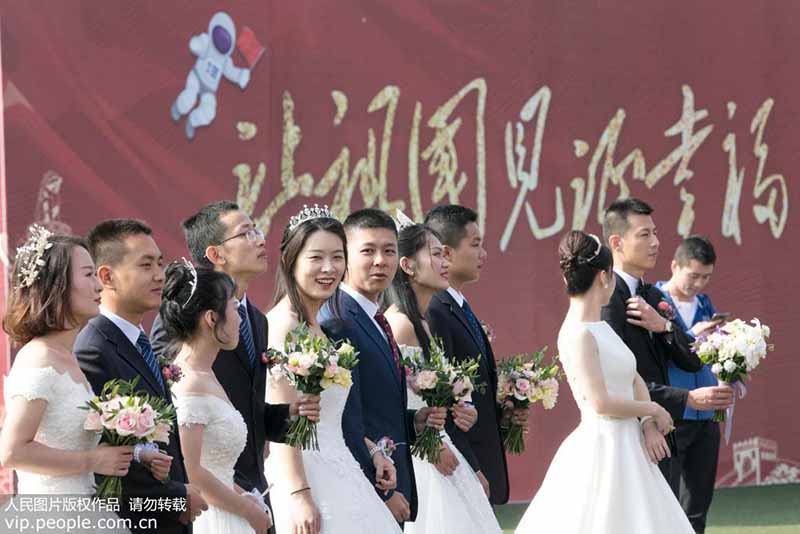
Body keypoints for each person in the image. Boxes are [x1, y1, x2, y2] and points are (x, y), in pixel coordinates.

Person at [150, 201, 320, 527]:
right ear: (216, 254)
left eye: (257, 230)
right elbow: (171, 405)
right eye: (246, 233)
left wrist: (289, 415)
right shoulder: (179, 317)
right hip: (208, 496)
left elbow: (249, 409)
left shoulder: (256, 319)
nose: (260, 239)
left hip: (254, 486)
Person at [515, 230, 694, 534]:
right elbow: (600, 403)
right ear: (604, 276)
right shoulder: (577, 333)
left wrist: (647, 423)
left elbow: (633, 376)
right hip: (605, 445)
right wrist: (654, 408)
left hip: (631, 442)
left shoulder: (601, 326)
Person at [264, 205, 402, 534]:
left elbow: (330, 414)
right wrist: (299, 494)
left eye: (337, 257)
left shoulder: (320, 329)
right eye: (316, 258)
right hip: (305, 477)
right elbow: (283, 422)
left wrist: (373, 451)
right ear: (289, 260)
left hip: (345, 469)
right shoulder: (282, 327)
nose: (329, 268)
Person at [74, 219, 206, 533]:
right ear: (106, 276)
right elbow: (105, 457)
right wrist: (175, 498)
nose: (160, 275)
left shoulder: (139, 341)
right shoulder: (93, 350)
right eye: (146, 265)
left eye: (160, 263)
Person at [320, 208, 447, 526]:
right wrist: (382, 494)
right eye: (368, 251)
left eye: (389, 250)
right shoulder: (338, 320)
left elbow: (378, 406)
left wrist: (413, 421)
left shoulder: (375, 317)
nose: (380, 260)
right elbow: (347, 420)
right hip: (369, 488)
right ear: (344, 256)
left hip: (392, 479)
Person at [599, 198, 732, 494]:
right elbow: (616, 380)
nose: (656, 242)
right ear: (617, 242)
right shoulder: (609, 299)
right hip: (629, 434)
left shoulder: (648, 294)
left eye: (656, 233)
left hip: (660, 431)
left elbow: (694, 360)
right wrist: (687, 398)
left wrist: (665, 326)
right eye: (644, 235)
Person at [384, 215, 500, 534]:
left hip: (444, 449)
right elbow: (388, 399)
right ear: (407, 265)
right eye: (435, 254)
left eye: (444, 253)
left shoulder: (423, 324)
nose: (444, 261)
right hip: (424, 459)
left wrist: (460, 408)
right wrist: (429, 443)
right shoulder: (400, 325)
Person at [0, 227, 135, 499]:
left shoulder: (67, 357)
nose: (99, 286)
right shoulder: (38, 358)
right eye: (88, 275)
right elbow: (12, 451)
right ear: (56, 284)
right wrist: (92, 460)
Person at [425, 204, 527, 504]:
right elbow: (441, 400)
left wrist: (504, 411)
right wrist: (472, 467)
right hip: (461, 467)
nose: (483, 254)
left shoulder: (457, 306)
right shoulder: (436, 312)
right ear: (446, 252)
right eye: (475, 244)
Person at [164, 260, 271, 534]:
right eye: (234, 308)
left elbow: (217, 468)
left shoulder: (206, 375)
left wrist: (247, 499)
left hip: (231, 511)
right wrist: (248, 510)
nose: (240, 317)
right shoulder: (189, 383)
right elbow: (192, 470)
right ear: (212, 318)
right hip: (211, 520)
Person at [657, 236, 725, 533]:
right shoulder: (654, 301)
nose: (698, 283)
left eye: (706, 277)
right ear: (675, 266)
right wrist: (690, 334)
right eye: (693, 275)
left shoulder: (706, 304)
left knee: (697, 505)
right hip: (671, 413)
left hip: (706, 414)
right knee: (664, 500)